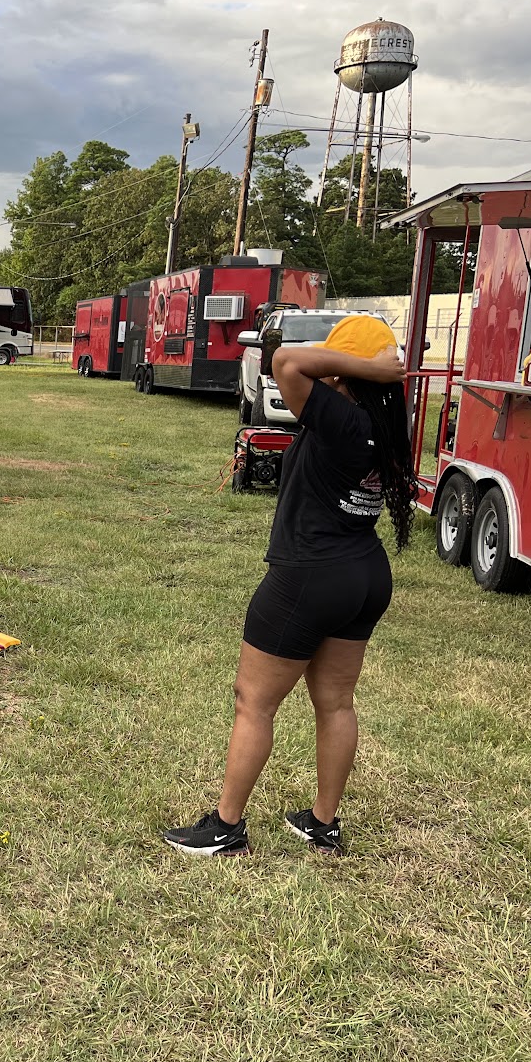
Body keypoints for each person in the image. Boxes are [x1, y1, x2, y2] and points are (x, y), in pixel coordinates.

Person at [164, 315, 415, 858]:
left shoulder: (342, 415)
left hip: (310, 575)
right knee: (336, 703)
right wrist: (376, 373)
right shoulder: (380, 418)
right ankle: (323, 823)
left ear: (348, 370)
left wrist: (368, 368)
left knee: (253, 703)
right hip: (364, 574)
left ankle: (226, 826)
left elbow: (284, 362)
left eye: (338, 358)